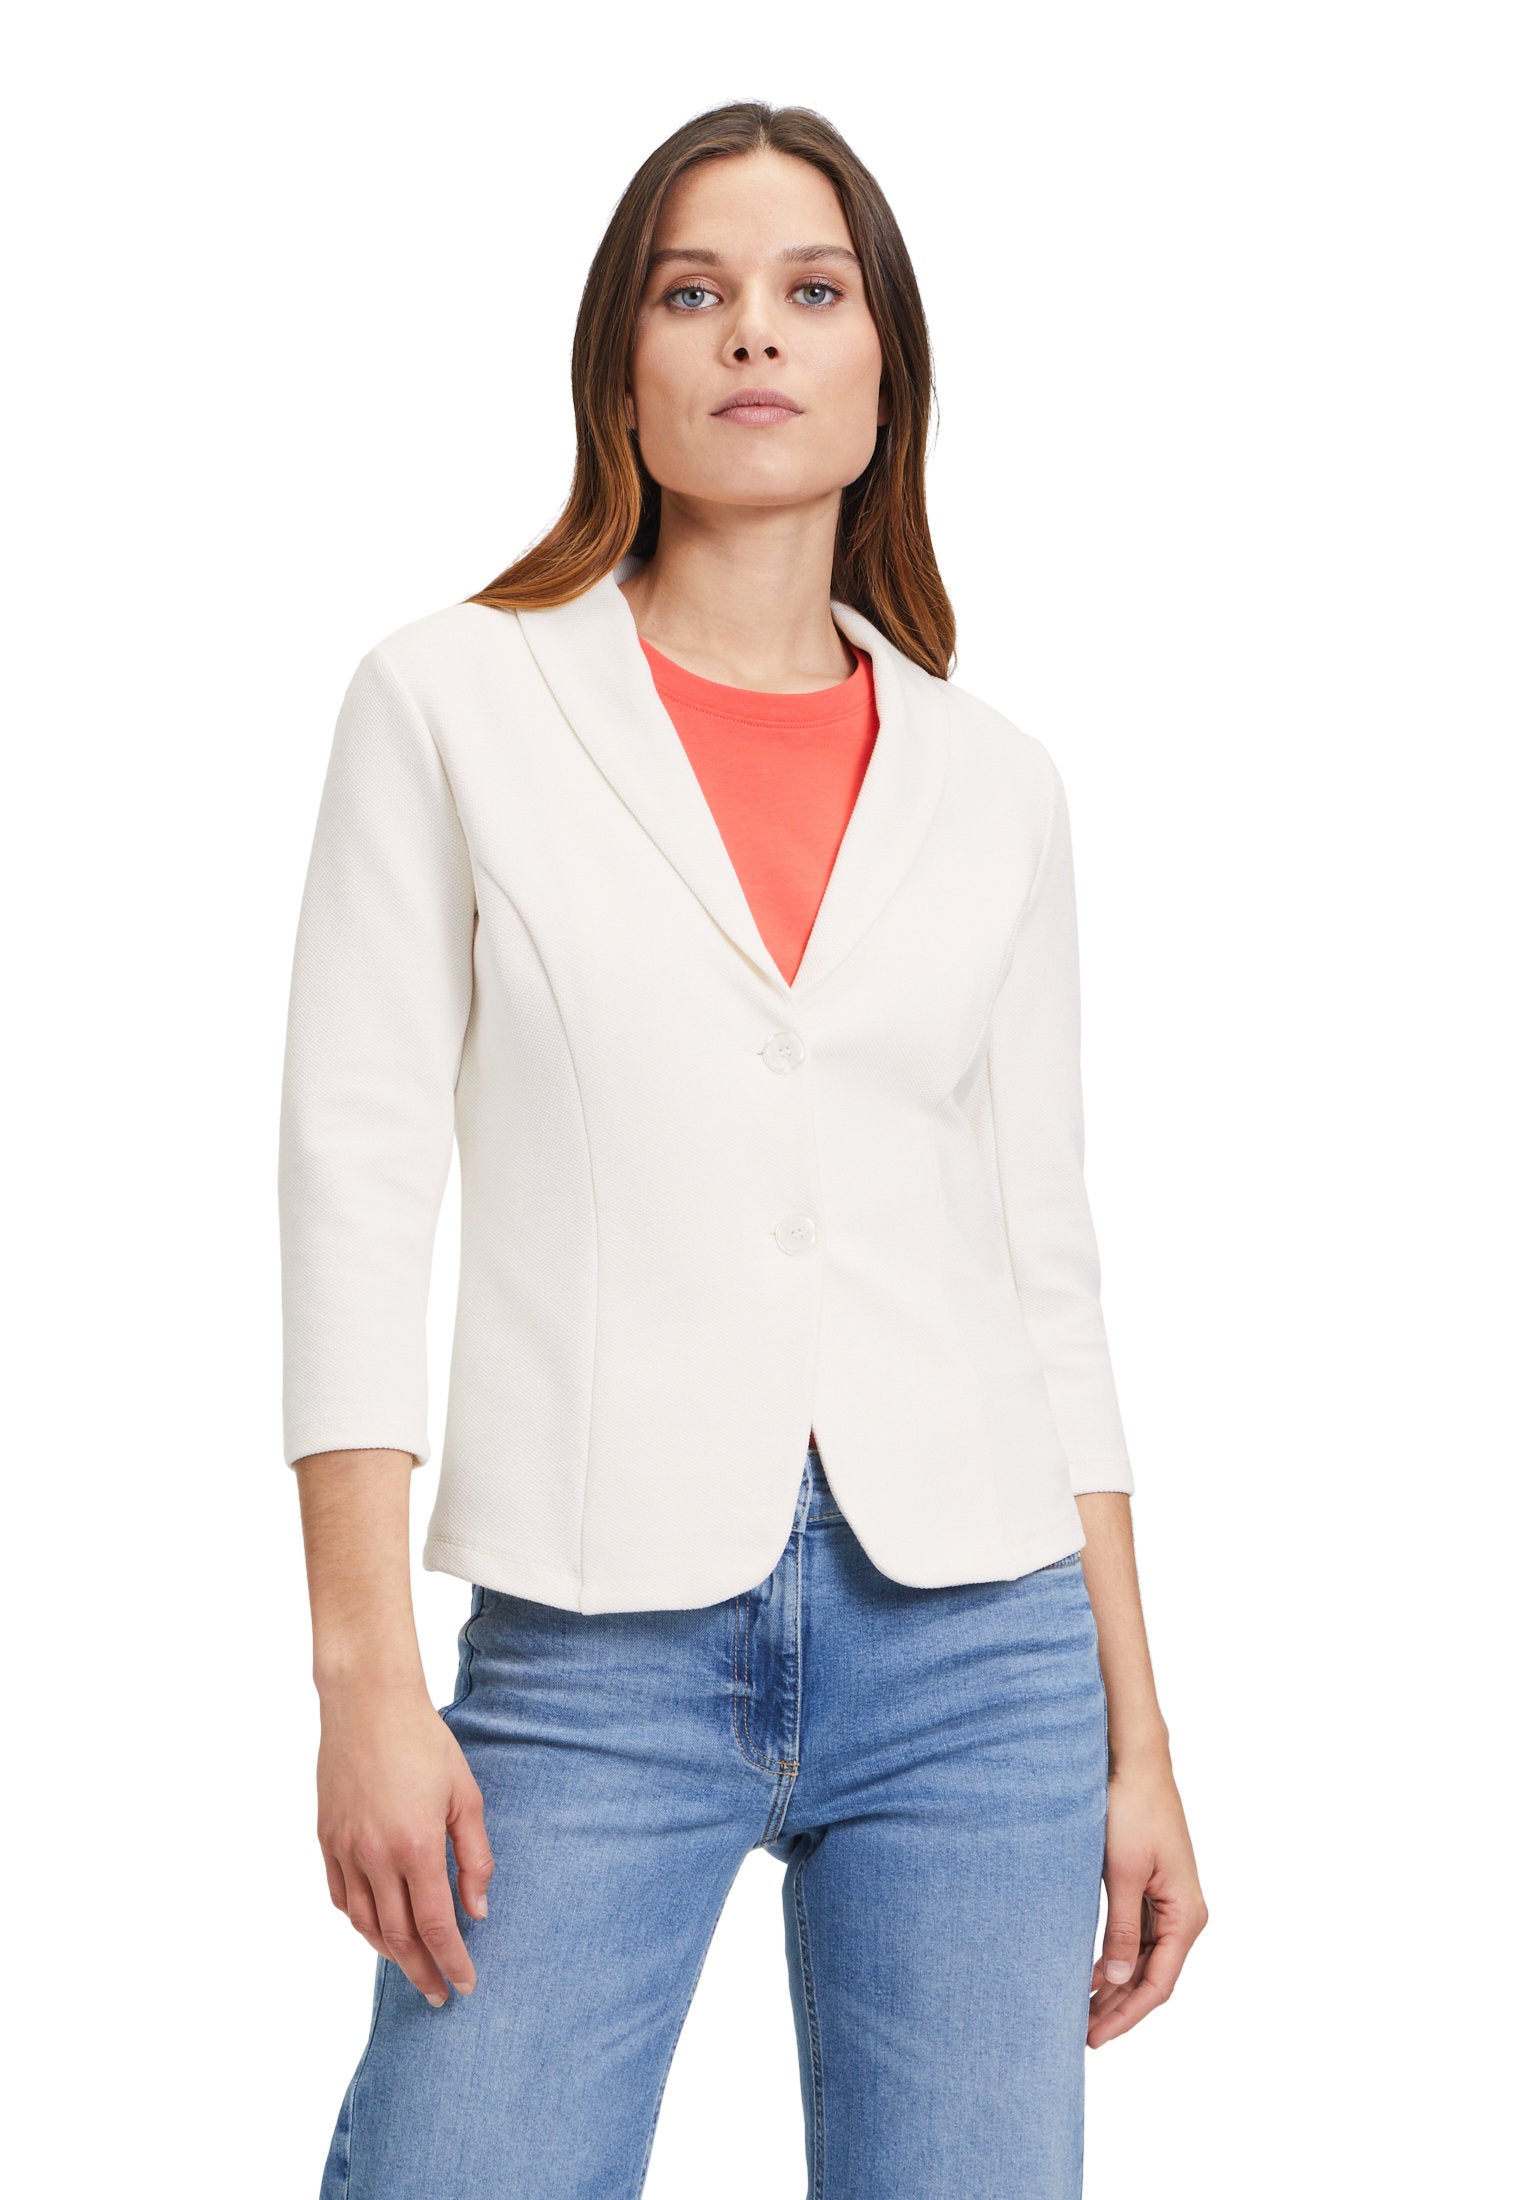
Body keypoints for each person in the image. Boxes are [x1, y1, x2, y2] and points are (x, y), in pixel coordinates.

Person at [280, 98, 1208, 2200]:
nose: (755, 334)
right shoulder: (451, 700)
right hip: (594, 1640)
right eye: (693, 292)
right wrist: (362, 1678)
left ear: (887, 377)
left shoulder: (995, 783)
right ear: (621, 366)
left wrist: (1138, 1735)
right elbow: (354, 1187)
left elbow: (1044, 1272)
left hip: (980, 1651)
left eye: (813, 291)